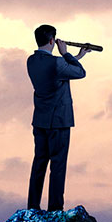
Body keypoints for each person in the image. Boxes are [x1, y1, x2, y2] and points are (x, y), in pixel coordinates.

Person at [26, 24, 89, 211]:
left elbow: (57, 70)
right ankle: (55, 209)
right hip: (59, 121)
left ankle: (33, 207)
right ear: (52, 40)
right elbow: (80, 73)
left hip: (40, 120)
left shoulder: (31, 61)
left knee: (39, 164)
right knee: (58, 165)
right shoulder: (58, 62)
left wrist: (77, 56)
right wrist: (67, 54)